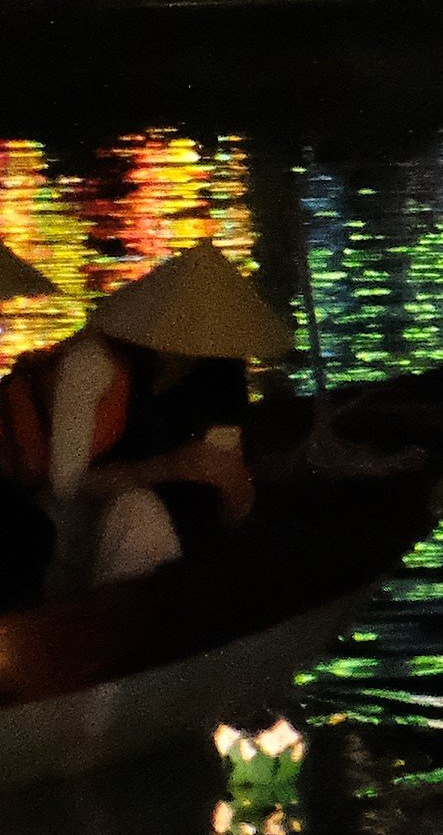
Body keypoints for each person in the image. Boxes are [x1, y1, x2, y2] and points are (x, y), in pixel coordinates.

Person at [9, 243, 286, 602]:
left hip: (182, 536)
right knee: (137, 512)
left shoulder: (221, 375)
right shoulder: (94, 365)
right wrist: (164, 469)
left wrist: (234, 491)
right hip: (75, 533)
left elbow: (228, 493)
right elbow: (65, 489)